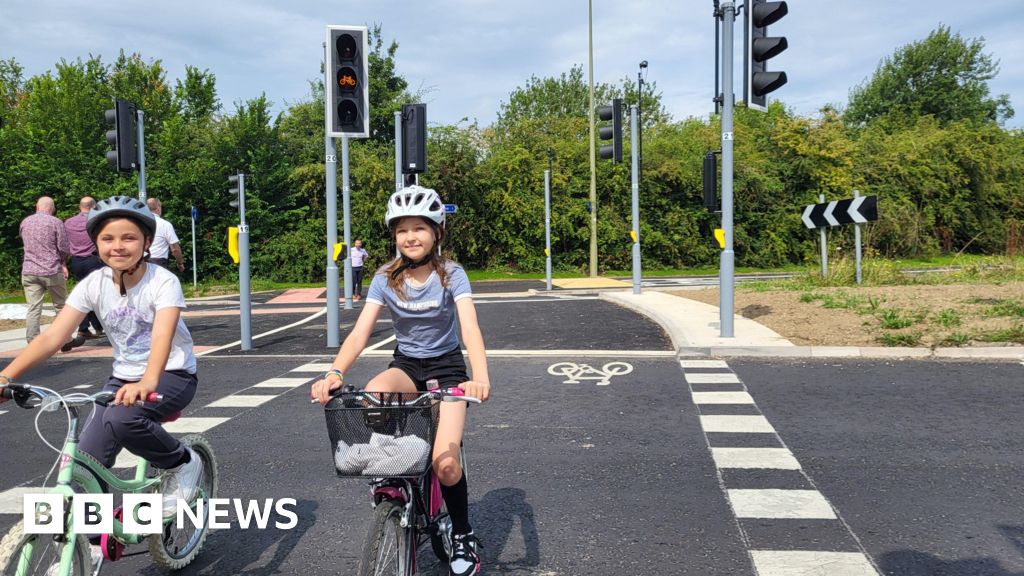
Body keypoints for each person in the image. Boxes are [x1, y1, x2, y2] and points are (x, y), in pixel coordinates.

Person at [312, 185, 490, 576]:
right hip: (407, 365)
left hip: (447, 369)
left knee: (446, 465)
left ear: (436, 232)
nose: (410, 236)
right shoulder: (384, 278)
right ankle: (393, 482)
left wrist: (480, 377)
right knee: (373, 394)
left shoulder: (451, 274)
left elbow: (470, 328)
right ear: (394, 236)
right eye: (401, 229)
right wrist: (334, 372)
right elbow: (360, 333)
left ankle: (460, 532)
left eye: (419, 228)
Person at [1, 196, 203, 539]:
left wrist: (148, 381)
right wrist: (7, 375)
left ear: (147, 243)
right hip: (121, 379)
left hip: (172, 374)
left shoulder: (162, 281)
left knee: (124, 419)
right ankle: (96, 540)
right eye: (108, 239)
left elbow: (162, 337)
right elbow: (52, 338)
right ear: (96, 243)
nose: (118, 246)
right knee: (84, 468)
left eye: (129, 238)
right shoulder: (93, 284)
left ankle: (182, 462)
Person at [18, 196, 78, 351]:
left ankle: (33, 341)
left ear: (37, 207)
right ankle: (65, 340)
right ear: (52, 208)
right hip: (51, 269)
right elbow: (64, 247)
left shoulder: (25, 222)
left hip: (29, 270)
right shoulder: (55, 222)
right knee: (60, 306)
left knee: (33, 307)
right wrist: (63, 262)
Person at [64, 196, 106, 343]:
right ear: (93, 206)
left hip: (76, 261)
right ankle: (100, 326)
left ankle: (83, 328)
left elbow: (65, 243)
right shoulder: (96, 220)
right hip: (93, 260)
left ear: (80, 206)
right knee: (98, 294)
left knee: (83, 294)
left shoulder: (68, 223)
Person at [145, 198, 185, 273]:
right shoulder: (165, 224)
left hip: (142, 262)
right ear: (158, 208)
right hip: (158, 263)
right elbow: (175, 249)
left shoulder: (141, 223)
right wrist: (180, 263)